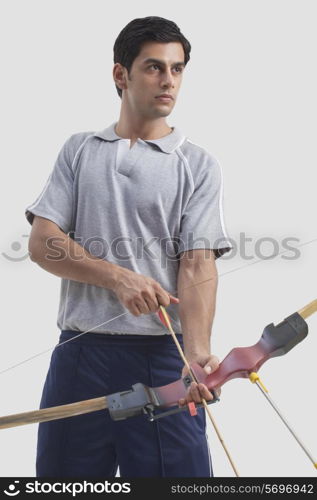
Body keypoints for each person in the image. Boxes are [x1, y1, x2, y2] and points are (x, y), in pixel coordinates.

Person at [25, 16, 232, 477]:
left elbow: (197, 263)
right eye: (154, 68)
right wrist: (119, 278)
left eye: (177, 69)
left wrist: (196, 356)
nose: (169, 81)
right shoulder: (79, 151)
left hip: (163, 358)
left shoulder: (197, 165)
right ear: (121, 74)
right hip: (81, 354)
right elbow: (43, 243)